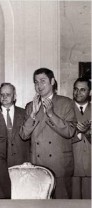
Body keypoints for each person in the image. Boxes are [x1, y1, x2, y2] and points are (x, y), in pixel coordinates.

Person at [20, 68, 76, 199]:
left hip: (59, 166)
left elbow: (70, 131)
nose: (39, 85)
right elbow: (23, 135)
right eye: (36, 82)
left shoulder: (66, 103)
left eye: (43, 81)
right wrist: (32, 115)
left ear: (52, 81)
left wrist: (51, 114)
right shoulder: (30, 106)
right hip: (38, 166)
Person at [0, 83, 30, 167]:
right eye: (2, 94)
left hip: (22, 163)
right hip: (0, 163)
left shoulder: (25, 113)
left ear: (14, 97)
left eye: (8, 94)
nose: (4, 97)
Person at [72, 77, 91, 199]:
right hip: (71, 163)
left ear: (89, 92)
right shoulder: (65, 108)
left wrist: (88, 132)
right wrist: (78, 132)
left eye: (83, 90)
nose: (78, 93)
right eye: (76, 89)